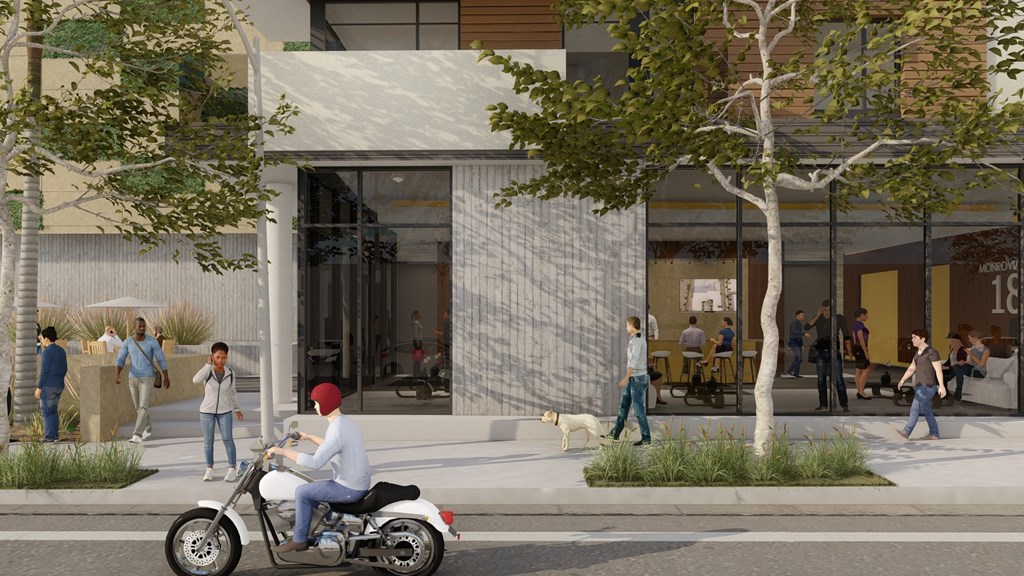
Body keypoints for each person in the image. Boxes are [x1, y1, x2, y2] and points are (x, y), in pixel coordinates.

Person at [268, 383, 371, 553]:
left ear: (327, 403)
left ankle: (299, 540)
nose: (315, 406)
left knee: (302, 492)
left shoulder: (336, 429)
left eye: (317, 402)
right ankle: (319, 531)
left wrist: (283, 452)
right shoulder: (344, 422)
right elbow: (331, 446)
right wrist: (308, 437)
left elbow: (315, 463)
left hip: (348, 487)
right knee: (313, 492)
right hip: (355, 482)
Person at [115, 317, 170, 443]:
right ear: (134, 327)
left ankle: (137, 434)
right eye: (139, 326)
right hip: (132, 378)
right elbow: (120, 359)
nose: (142, 328)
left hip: (147, 377)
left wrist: (166, 377)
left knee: (143, 406)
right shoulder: (128, 342)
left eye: (144, 326)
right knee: (138, 407)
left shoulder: (152, 341)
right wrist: (117, 374)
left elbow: (161, 359)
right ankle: (148, 427)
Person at [194, 342, 243, 482]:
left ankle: (232, 468)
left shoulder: (230, 373)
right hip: (206, 411)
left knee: (228, 439)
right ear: (212, 357)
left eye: (224, 357)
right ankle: (209, 469)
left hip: (225, 410)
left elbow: (232, 392)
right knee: (208, 441)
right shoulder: (207, 371)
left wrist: (237, 409)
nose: (221, 360)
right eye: (218, 357)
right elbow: (195, 379)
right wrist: (207, 365)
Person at [603, 316, 652, 446]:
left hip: (637, 379)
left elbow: (634, 362)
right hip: (634, 378)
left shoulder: (637, 341)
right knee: (624, 405)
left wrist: (625, 379)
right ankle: (615, 434)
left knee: (638, 410)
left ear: (631, 326)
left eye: (627, 325)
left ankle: (646, 438)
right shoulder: (637, 339)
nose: (626, 327)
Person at [896, 329, 947, 440]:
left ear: (922, 339)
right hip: (919, 386)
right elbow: (912, 368)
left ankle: (906, 431)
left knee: (915, 408)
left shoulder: (931, 352)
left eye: (914, 337)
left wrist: (942, 386)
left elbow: (938, 370)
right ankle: (934, 434)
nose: (912, 339)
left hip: (927, 387)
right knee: (927, 410)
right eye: (912, 337)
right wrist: (902, 380)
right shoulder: (917, 354)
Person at [805, 300, 853, 412]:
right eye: (824, 310)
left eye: (829, 310)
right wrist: (817, 315)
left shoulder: (839, 318)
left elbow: (846, 335)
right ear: (822, 309)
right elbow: (806, 327)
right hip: (821, 353)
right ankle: (823, 404)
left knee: (839, 379)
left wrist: (849, 351)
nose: (826, 312)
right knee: (821, 379)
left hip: (834, 352)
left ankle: (844, 405)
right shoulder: (818, 318)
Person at [35, 326, 67, 443]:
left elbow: (44, 372)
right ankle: (54, 436)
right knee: (53, 410)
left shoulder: (47, 352)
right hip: (59, 385)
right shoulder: (61, 350)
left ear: (46, 339)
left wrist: (39, 387)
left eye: (42, 338)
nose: (41, 340)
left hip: (48, 386)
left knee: (47, 412)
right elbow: (65, 369)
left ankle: (49, 436)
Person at [941, 331, 970, 405]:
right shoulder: (952, 348)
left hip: (958, 368)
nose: (948, 341)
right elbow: (949, 360)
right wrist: (942, 366)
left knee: (953, 372)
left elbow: (960, 362)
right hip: (951, 368)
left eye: (949, 339)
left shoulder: (962, 349)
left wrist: (948, 367)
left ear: (955, 340)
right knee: (940, 375)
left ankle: (954, 395)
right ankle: (945, 395)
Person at [852, 307, 875, 399]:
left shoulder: (855, 324)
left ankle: (859, 391)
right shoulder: (860, 325)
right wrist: (865, 352)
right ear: (861, 315)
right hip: (861, 349)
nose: (867, 316)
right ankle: (861, 391)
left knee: (858, 370)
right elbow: (861, 339)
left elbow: (854, 339)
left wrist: (856, 350)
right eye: (866, 315)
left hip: (857, 348)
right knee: (866, 370)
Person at [783, 310, 808, 378]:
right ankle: (790, 370)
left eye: (803, 315)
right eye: (801, 315)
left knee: (800, 359)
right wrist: (804, 334)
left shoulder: (799, 323)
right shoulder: (794, 323)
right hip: (794, 342)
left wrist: (802, 344)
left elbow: (799, 335)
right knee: (798, 357)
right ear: (797, 315)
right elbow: (794, 332)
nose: (803, 316)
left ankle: (796, 373)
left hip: (798, 342)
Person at [411, 309, 424, 376]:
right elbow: (415, 333)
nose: (420, 315)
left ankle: (417, 372)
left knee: (418, 358)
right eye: (419, 313)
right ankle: (416, 373)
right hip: (417, 342)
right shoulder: (416, 323)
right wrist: (418, 341)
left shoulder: (417, 322)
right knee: (417, 358)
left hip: (419, 341)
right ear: (416, 314)